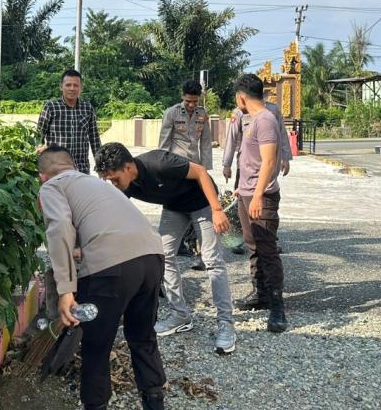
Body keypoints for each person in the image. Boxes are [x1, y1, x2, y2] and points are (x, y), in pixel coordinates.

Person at [38, 145, 167, 410]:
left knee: (97, 345)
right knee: (142, 337)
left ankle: (95, 405)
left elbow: (59, 227)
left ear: (42, 176)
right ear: (73, 167)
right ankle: (155, 402)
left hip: (112, 269)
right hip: (153, 258)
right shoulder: (99, 185)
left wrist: (65, 290)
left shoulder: (52, 187)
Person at [95, 142, 236, 355]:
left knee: (212, 260)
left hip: (202, 202)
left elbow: (200, 172)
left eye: (114, 178)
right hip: (175, 206)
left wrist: (217, 209)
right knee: (163, 255)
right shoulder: (126, 185)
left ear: (127, 167)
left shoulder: (160, 163)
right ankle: (180, 314)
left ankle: (226, 324)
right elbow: (110, 212)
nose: (114, 184)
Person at [231, 73, 288, 333]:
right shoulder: (252, 119)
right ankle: (260, 293)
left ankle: (277, 307)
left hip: (260, 196)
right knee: (252, 244)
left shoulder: (265, 120)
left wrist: (256, 195)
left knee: (267, 248)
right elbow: (248, 159)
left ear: (241, 97)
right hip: (246, 192)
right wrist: (240, 189)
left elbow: (267, 161)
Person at [223, 101, 292, 255]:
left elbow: (282, 133)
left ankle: (268, 240)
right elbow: (232, 138)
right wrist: (226, 164)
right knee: (241, 206)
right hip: (246, 167)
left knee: (267, 205)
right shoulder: (239, 112)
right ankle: (240, 238)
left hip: (267, 166)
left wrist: (285, 157)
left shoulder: (272, 110)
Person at [158, 80, 213, 271]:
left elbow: (206, 143)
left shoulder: (203, 115)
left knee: (196, 207)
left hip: (195, 168)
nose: (191, 105)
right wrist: (162, 169)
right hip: (175, 167)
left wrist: (205, 171)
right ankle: (174, 243)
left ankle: (197, 252)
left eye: (195, 102)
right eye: (188, 101)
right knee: (173, 207)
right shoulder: (171, 113)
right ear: (182, 96)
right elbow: (164, 143)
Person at [37, 69, 102, 174]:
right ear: (61, 86)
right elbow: (38, 134)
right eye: (68, 85)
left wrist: (101, 166)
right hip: (55, 167)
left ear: (81, 88)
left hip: (81, 168)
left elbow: (95, 140)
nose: (72, 88)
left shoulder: (87, 108)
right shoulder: (51, 107)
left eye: (76, 85)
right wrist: (39, 152)